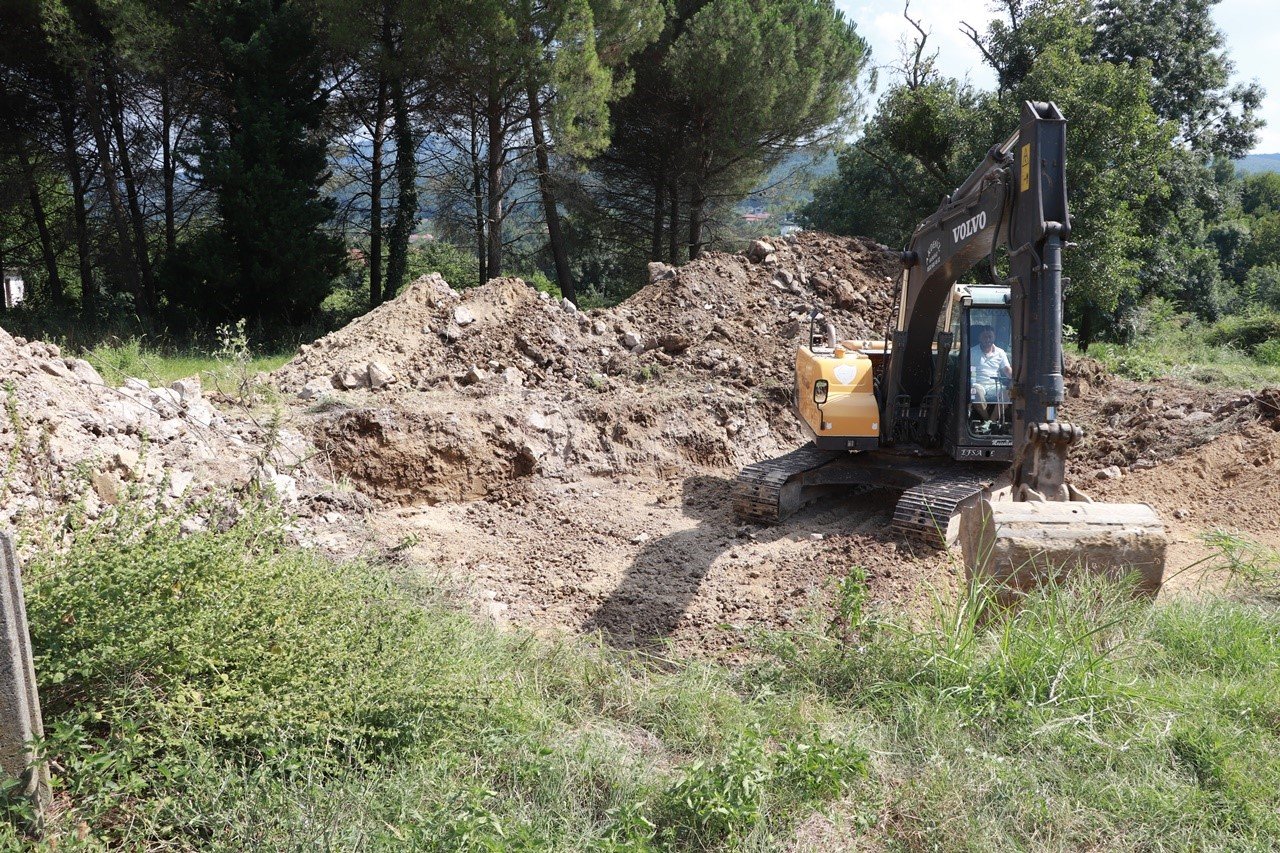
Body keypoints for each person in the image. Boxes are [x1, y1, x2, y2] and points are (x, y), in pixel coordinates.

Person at [970, 324, 1011, 420]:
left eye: (990, 337)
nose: (987, 339)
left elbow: (1007, 370)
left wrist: (1015, 380)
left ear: (994, 337)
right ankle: (986, 420)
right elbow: (969, 371)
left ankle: (991, 422)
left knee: (1008, 392)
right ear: (979, 338)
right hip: (977, 384)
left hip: (994, 385)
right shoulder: (972, 352)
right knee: (975, 392)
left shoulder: (1000, 352)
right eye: (985, 337)